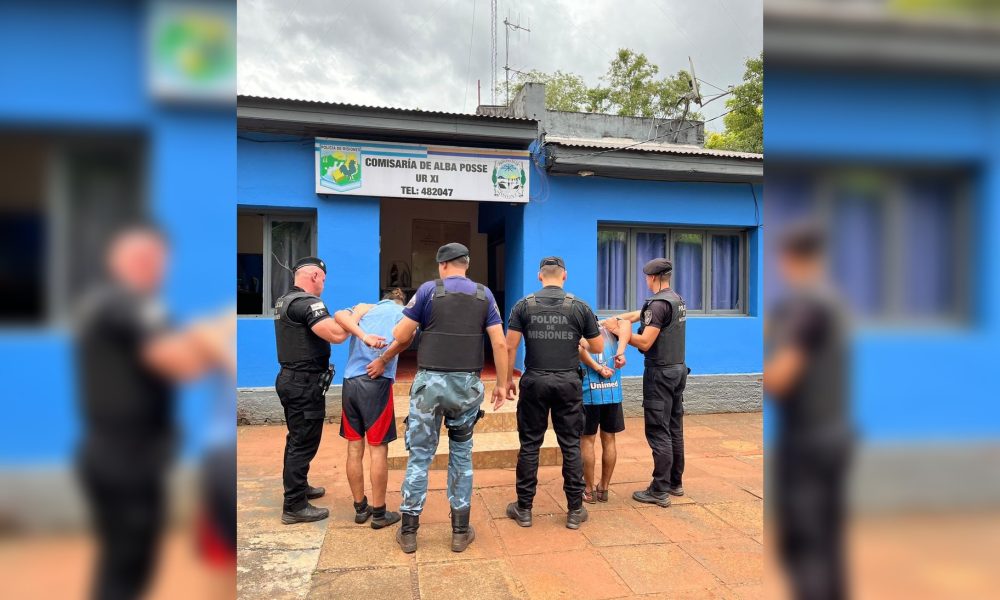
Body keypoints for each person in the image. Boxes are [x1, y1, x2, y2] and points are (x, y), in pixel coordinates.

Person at [75, 225, 231, 600]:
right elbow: (180, 364)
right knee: (126, 563)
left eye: (157, 259)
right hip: (122, 455)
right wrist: (217, 341)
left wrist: (213, 332)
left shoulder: (127, 306)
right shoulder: (125, 304)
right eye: (141, 259)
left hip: (132, 453)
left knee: (133, 561)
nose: (153, 267)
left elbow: (185, 360)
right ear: (116, 261)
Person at [391, 243, 508, 554]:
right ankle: (459, 532)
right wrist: (501, 383)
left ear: (442, 265)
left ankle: (409, 532)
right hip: (466, 387)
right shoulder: (484, 295)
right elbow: (499, 343)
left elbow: (401, 335)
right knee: (461, 455)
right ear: (466, 265)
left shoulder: (428, 291)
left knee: (420, 456)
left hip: (429, 387)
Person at [765, 223, 852, 600]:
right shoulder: (833, 301)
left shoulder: (806, 305)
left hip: (807, 442)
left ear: (788, 258)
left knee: (804, 543)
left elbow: (782, 377)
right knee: (829, 542)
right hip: (835, 433)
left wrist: (762, 374)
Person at [504, 257, 603, 530]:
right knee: (571, 445)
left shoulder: (523, 305)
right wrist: (577, 338)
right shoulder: (579, 307)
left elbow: (510, 346)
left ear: (540, 276)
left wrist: (506, 380)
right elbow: (597, 346)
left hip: (534, 381)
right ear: (564, 276)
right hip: (568, 382)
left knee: (530, 445)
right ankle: (575, 510)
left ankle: (524, 509)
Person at [273, 256, 364, 525]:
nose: (324, 284)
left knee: (297, 438)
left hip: (292, 380)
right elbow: (336, 335)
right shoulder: (308, 303)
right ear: (314, 276)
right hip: (303, 384)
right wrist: (356, 315)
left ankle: (299, 488)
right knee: (303, 442)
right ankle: (294, 505)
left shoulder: (285, 300)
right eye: (323, 279)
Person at [331, 289, 413, 530]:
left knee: (354, 447)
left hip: (350, 383)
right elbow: (407, 338)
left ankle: (360, 508)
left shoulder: (365, 307)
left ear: (383, 298)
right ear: (400, 301)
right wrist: (384, 359)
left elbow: (338, 315)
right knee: (378, 450)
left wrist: (363, 334)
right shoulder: (403, 312)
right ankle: (379, 513)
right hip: (376, 384)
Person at [613, 257, 688, 508]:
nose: (646, 280)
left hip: (660, 374)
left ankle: (659, 489)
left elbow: (645, 342)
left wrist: (620, 332)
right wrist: (615, 320)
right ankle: (675, 482)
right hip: (677, 370)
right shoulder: (675, 299)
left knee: (658, 430)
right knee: (674, 428)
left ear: (653, 277)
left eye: (646, 277)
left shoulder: (658, 304)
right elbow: (640, 315)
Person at [578, 317, 630, 504]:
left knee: (587, 441)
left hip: (589, 394)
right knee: (609, 440)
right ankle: (604, 488)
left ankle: (588, 490)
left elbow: (579, 350)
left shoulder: (581, 334)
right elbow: (627, 322)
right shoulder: (612, 331)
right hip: (613, 393)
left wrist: (598, 369)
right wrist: (621, 352)